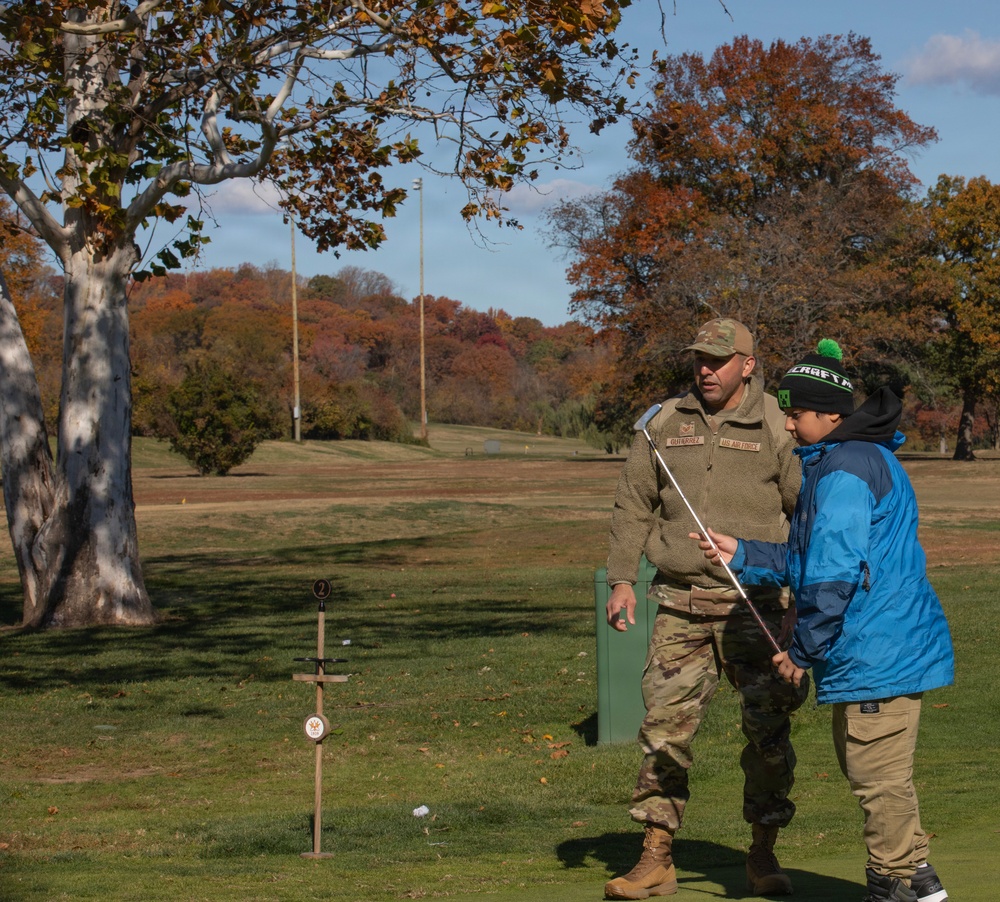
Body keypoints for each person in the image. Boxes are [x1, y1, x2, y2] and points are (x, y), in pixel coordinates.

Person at [696, 339, 954, 902]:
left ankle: (891, 883)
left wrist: (802, 650)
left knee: (876, 778)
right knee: (879, 774)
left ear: (832, 415)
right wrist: (743, 551)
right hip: (876, 650)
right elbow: (812, 558)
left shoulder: (845, 468)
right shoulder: (840, 461)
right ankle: (918, 879)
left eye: (797, 413)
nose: (788, 424)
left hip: (877, 650)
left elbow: (833, 576)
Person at [603, 317, 809, 900]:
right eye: (699, 358)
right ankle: (656, 856)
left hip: (757, 607)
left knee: (768, 735)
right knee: (663, 733)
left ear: (748, 364)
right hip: (680, 605)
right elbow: (633, 502)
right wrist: (621, 579)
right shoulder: (664, 421)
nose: (705, 369)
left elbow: (805, 515)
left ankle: (762, 852)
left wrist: (803, 601)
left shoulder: (778, 424)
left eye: (718, 360)